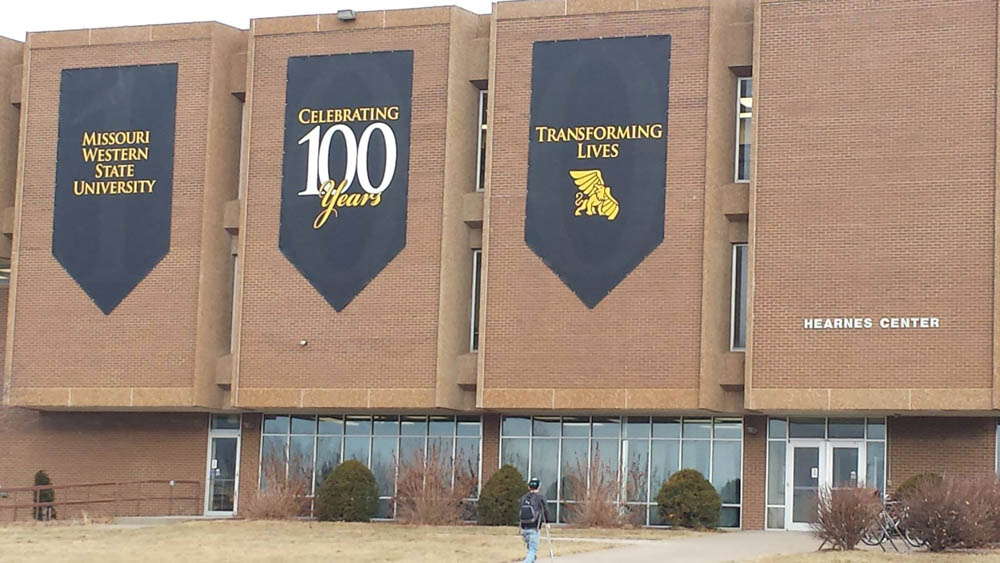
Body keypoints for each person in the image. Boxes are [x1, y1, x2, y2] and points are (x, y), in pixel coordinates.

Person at [518, 477, 551, 563]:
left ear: (529, 487)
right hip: (534, 528)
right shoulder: (540, 498)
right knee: (532, 551)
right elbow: (546, 510)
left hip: (524, 528)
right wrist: (547, 522)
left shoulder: (524, 497)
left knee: (531, 551)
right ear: (538, 487)